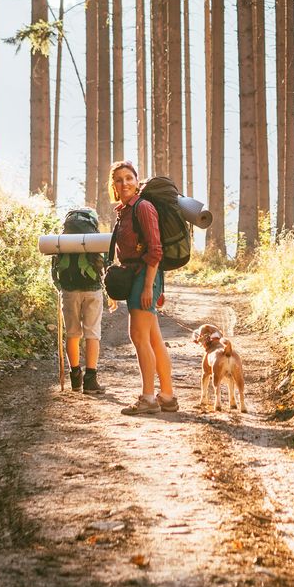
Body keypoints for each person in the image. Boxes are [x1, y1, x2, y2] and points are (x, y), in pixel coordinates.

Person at [110, 161, 178, 415]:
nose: (124, 183)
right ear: (113, 186)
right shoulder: (125, 211)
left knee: (138, 337)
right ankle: (167, 396)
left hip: (145, 276)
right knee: (152, 338)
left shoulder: (144, 207)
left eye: (129, 178)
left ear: (137, 182)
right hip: (137, 275)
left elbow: (156, 249)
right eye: (119, 180)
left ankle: (149, 397)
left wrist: (149, 286)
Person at [50, 207, 107, 394]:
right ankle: (91, 380)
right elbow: (104, 263)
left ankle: (75, 377)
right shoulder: (93, 237)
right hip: (92, 290)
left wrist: (60, 286)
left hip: (69, 290)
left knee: (72, 333)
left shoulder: (64, 239)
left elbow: (55, 265)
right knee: (92, 334)